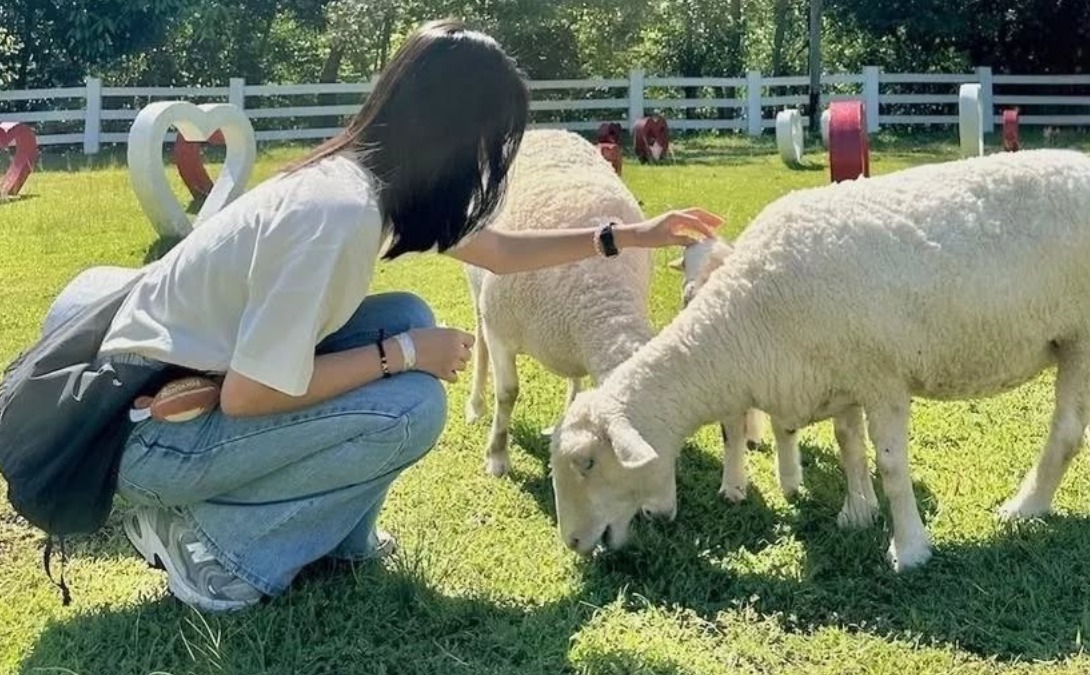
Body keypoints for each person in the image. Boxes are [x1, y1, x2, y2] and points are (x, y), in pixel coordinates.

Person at [98, 18, 722, 612]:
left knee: (405, 313)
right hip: (149, 434)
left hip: (177, 401)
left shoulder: (372, 183)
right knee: (413, 404)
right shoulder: (337, 216)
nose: (493, 160)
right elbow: (248, 395)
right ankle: (212, 549)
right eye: (493, 140)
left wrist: (630, 236)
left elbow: (499, 252)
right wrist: (401, 356)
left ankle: (336, 540)